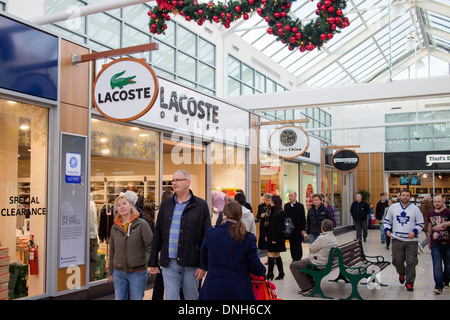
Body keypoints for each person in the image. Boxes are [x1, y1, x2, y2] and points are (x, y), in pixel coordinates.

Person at [149, 170, 211, 300]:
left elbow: (206, 237)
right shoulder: (166, 205)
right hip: (169, 263)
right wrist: (153, 261)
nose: (174, 183)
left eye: (177, 180)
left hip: (191, 263)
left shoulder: (200, 205)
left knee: (191, 297)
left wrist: (203, 264)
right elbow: (158, 234)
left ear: (188, 182)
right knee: (170, 297)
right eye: (173, 181)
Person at [199, 201, 266, 299]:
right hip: (239, 289)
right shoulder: (247, 238)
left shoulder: (212, 233)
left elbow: (204, 259)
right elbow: (254, 266)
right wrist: (263, 271)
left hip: (213, 287)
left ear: (224, 215)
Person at [108, 195, 153, 300]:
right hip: (118, 272)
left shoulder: (142, 224)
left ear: (131, 205)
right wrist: (111, 273)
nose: (122, 207)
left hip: (137, 273)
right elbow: (112, 251)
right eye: (119, 205)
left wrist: (148, 263)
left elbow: (150, 246)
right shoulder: (115, 227)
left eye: (124, 204)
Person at [383, 189, 425, 291]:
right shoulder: (393, 208)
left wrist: (414, 231)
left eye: (407, 195)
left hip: (411, 241)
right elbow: (387, 220)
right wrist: (387, 229)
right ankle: (402, 273)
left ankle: (410, 282)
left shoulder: (415, 209)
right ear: (400, 196)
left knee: (411, 261)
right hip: (397, 239)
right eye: (403, 195)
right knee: (397, 260)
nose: (405, 197)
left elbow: (420, 223)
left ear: (410, 197)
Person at [289, 219, 337, 295]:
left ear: (322, 228)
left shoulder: (322, 238)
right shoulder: (333, 237)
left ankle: (307, 287)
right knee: (302, 263)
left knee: (294, 265)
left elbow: (311, 248)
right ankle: (311, 285)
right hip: (326, 262)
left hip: (319, 263)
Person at [427, 195, 450, 294]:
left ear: (443, 202)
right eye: (435, 201)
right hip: (435, 243)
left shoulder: (448, 212)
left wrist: (443, 225)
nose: (437, 203)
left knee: (448, 265)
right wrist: (429, 241)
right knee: (437, 265)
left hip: (448, 242)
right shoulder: (431, 214)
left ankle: (446, 281)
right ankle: (438, 286)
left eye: (439, 201)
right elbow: (429, 227)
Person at [266, 195, 286, 280]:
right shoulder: (272, 210)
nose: (270, 202)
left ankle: (274, 273)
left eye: (272, 201)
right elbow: (269, 224)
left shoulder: (281, 212)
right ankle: (275, 273)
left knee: (274, 254)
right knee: (273, 254)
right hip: (271, 236)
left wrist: (275, 238)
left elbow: (280, 226)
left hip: (277, 237)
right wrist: (267, 235)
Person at [283, 191, 306, 261]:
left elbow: (303, 218)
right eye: (289, 196)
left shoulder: (300, 206)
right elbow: (285, 218)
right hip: (290, 230)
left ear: (295, 196)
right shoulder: (286, 206)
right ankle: (294, 258)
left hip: (298, 229)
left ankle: (298, 257)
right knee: (292, 244)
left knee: (298, 244)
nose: (290, 197)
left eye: (291, 196)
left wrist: (303, 229)